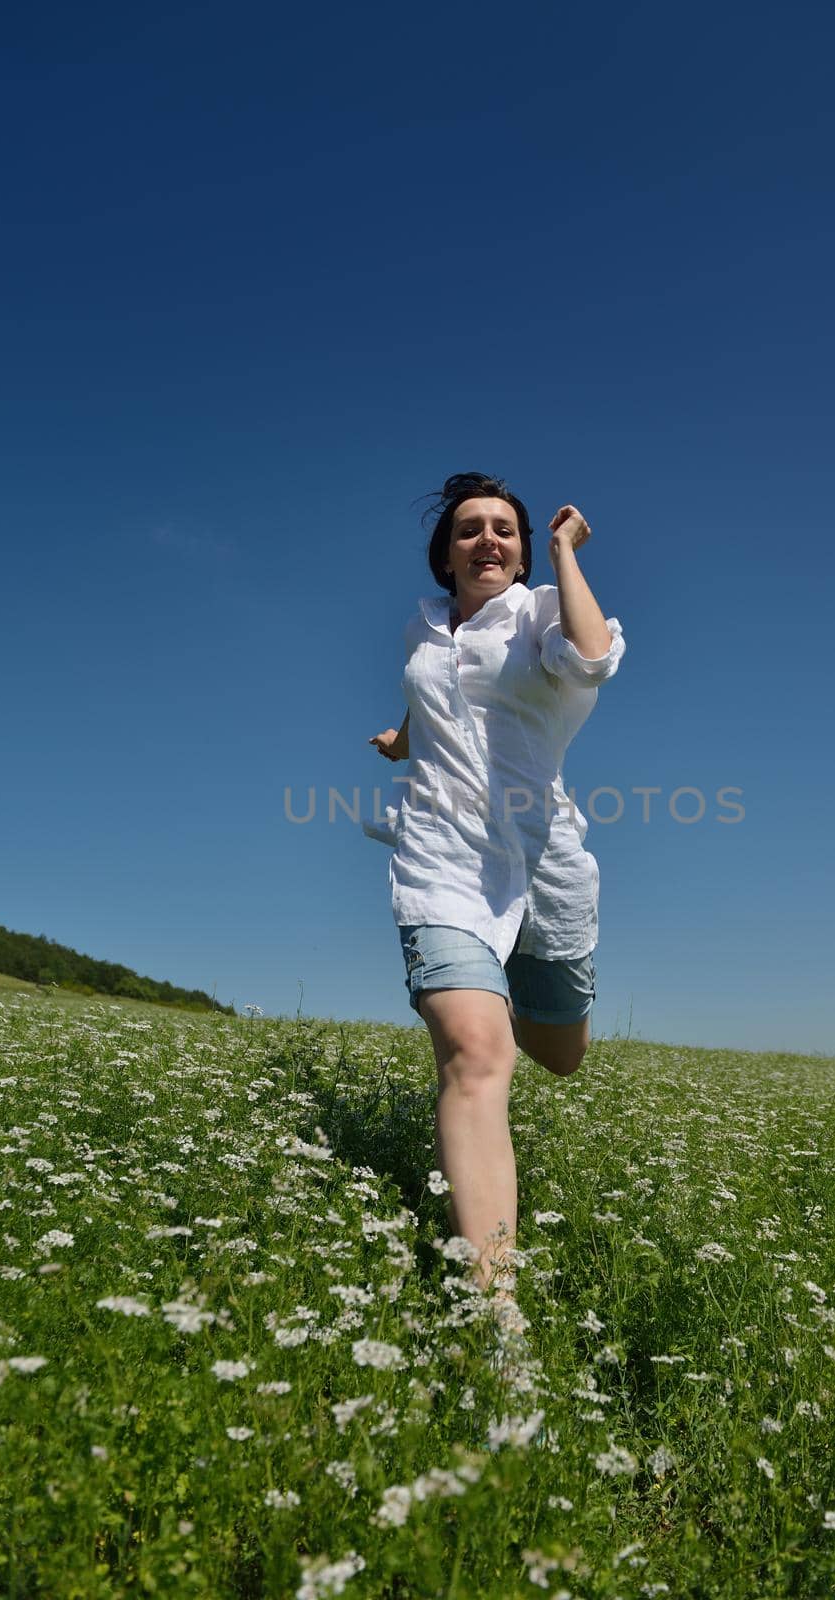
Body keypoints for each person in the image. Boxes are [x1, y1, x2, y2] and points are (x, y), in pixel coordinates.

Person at [365, 471, 626, 1311]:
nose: (487, 540)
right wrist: (401, 741)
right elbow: (432, 691)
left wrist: (563, 553)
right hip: (441, 863)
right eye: (470, 529)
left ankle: (500, 986)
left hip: (544, 866)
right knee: (481, 1054)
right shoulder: (422, 628)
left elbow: (591, 659)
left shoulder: (545, 610)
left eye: (504, 530)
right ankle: (493, 1315)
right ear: (445, 553)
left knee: (559, 1055)